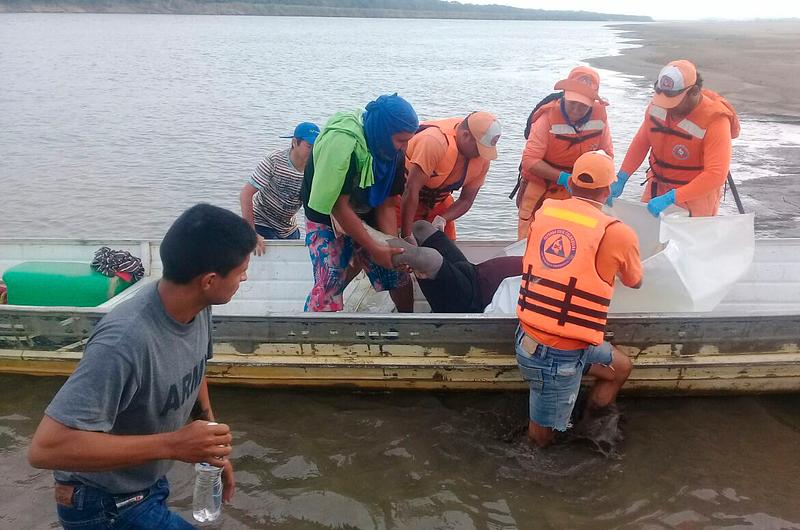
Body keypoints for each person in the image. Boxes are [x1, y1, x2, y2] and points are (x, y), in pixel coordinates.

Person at [27, 204, 257, 529]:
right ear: (209, 280)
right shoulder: (124, 341)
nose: (245, 277)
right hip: (101, 502)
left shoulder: (197, 307)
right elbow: (45, 449)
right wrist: (174, 445)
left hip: (145, 482)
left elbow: (193, 366)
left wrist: (209, 441)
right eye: (241, 270)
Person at [515, 150, 642, 448]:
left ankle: (592, 425)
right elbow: (635, 281)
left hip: (538, 339)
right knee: (540, 440)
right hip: (554, 355)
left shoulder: (546, 211)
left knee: (619, 368)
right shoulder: (618, 233)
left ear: (570, 182)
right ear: (609, 189)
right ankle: (533, 468)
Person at [301, 93, 418, 313]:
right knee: (331, 279)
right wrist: (373, 247)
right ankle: (311, 334)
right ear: (383, 131)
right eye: (401, 140)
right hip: (327, 212)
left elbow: (386, 204)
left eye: (408, 140)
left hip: (366, 208)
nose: (404, 147)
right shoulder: (343, 147)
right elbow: (337, 206)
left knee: (398, 275)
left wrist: (390, 247)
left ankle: (407, 325)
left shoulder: (393, 153)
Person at [608, 60, 740, 217]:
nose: (668, 108)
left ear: (694, 92)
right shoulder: (658, 106)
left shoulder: (716, 121)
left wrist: (673, 197)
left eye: (674, 103)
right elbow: (642, 142)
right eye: (664, 102)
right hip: (657, 188)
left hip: (695, 197)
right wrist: (622, 176)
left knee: (688, 241)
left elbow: (716, 174)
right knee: (647, 236)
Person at [516, 66, 613, 240]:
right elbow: (530, 160)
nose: (576, 110)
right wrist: (564, 178)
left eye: (582, 106)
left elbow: (607, 154)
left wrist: (605, 183)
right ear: (564, 95)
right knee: (529, 239)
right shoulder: (546, 118)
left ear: (592, 103)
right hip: (543, 188)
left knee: (578, 240)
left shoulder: (600, 118)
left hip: (583, 191)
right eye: (572, 103)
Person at [368, 220, 521, 312]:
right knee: (422, 228)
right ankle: (361, 231)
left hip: (471, 301)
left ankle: (358, 232)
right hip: (474, 272)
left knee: (429, 259)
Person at [400, 112, 502, 240]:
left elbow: (466, 200)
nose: (481, 155)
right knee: (403, 251)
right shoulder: (434, 142)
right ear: (465, 135)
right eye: (479, 149)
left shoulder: (483, 158)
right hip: (402, 200)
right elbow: (410, 190)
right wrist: (406, 235)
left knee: (447, 252)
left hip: (438, 205)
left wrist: (443, 219)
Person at [240, 121, 320, 254]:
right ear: (295, 142)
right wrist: (251, 233)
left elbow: (316, 204)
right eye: (309, 146)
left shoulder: (316, 168)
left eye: (317, 147)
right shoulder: (274, 161)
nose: (313, 152)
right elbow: (245, 195)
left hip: (289, 228)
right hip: (262, 222)